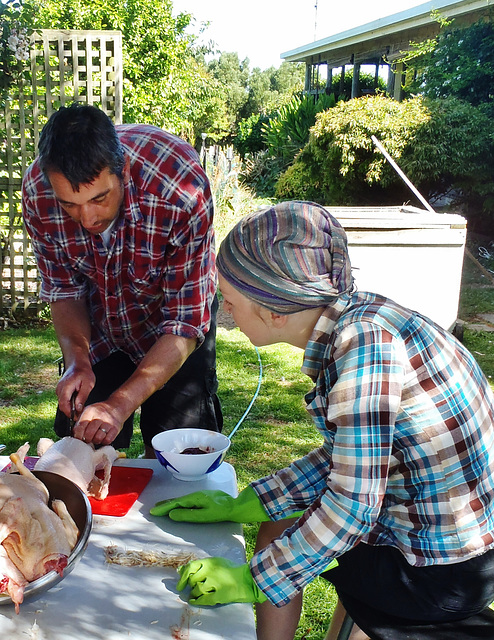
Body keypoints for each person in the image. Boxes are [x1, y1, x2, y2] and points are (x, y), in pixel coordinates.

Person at [150, 201, 494, 640]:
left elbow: (352, 505)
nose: (226, 312)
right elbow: (348, 460)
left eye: (231, 301)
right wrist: (247, 502)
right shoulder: (365, 318)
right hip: (465, 549)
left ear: (275, 310)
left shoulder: (363, 350)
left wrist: (255, 579)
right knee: (279, 520)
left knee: (281, 537)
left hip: (437, 571)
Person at [22, 103, 222, 457]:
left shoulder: (180, 190)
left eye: (100, 198)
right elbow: (65, 291)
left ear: (124, 170)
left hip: (173, 324)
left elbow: (183, 321)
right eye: (69, 204)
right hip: (99, 323)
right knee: (78, 449)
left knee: (180, 455)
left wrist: (120, 403)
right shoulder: (38, 192)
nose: (86, 218)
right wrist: (76, 361)